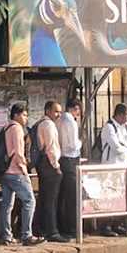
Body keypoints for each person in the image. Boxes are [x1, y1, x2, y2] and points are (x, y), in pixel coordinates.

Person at [0, 104, 38, 246]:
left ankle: (7, 235)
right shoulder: (16, 129)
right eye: (23, 115)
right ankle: (27, 235)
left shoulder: (6, 128)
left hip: (5, 171)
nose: (26, 118)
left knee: (7, 204)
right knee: (29, 201)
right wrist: (24, 169)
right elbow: (18, 152)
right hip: (16, 171)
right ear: (16, 115)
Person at [32, 101, 64, 242]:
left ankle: (40, 228)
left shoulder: (40, 123)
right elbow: (51, 147)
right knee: (51, 199)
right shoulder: (49, 125)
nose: (58, 115)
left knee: (44, 197)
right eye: (56, 111)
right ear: (48, 111)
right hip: (49, 163)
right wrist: (55, 165)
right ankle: (53, 231)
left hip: (42, 164)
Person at [58, 98, 84, 238]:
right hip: (70, 158)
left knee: (63, 194)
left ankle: (62, 224)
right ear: (75, 108)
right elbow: (74, 145)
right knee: (72, 195)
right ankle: (71, 226)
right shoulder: (71, 122)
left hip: (62, 158)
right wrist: (81, 142)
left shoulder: (60, 120)